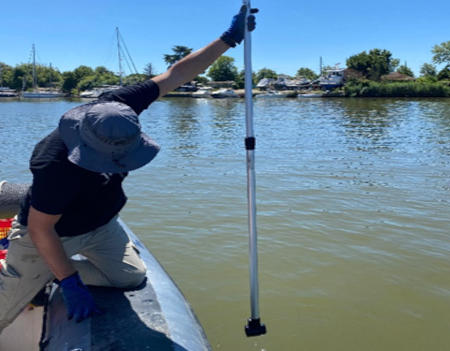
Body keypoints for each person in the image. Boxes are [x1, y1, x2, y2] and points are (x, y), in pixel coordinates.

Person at [0, 6, 258, 331]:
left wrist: (229, 39)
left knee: (131, 276)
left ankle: (48, 268)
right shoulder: (55, 164)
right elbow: (41, 229)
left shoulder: (119, 106)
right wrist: (69, 281)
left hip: (100, 224)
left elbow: (176, 74)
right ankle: (35, 266)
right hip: (51, 232)